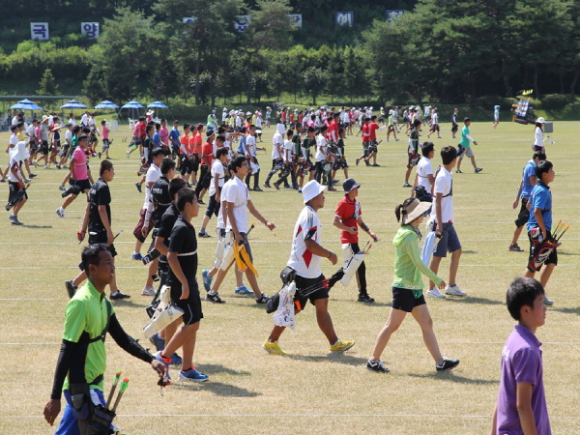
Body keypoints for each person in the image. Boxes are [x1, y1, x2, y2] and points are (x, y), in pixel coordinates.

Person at [44, 244, 166, 433]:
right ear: (92, 268)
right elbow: (66, 349)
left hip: (94, 382)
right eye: (108, 263)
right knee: (102, 430)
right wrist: (55, 397)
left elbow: (123, 339)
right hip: (83, 386)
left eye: (113, 263)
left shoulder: (104, 302)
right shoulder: (80, 303)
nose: (113, 268)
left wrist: (151, 359)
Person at [366, 198, 460, 373]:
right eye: (422, 213)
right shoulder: (408, 236)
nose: (424, 216)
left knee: (427, 323)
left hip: (414, 287)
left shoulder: (410, 233)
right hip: (404, 288)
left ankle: (440, 363)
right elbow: (418, 262)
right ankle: (373, 360)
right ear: (414, 216)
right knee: (391, 325)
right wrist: (436, 279)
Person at [263, 180, 355, 355]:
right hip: (302, 273)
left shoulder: (311, 213)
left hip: (313, 273)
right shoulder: (310, 216)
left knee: (322, 302)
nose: (324, 197)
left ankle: (335, 343)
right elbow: (310, 244)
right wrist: (329, 254)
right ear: (313, 197)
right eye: (321, 194)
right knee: (295, 308)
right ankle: (271, 342)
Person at [153, 188, 209, 382]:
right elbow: (171, 256)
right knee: (193, 323)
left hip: (188, 282)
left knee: (191, 323)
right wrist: (185, 283)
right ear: (187, 205)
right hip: (183, 284)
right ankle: (164, 356)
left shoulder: (187, 225)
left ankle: (187, 369)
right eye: (196, 202)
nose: (198, 206)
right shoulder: (181, 227)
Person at [206, 155, 275, 304]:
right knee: (247, 263)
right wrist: (237, 233)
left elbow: (251, 208)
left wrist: (266, 222)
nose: (247, 167)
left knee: (229, 262)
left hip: (239, 231)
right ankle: (259, 296)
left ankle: (212, 292)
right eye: (244, 165)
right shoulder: (233, 186)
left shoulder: (242, 185)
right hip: (237, 232)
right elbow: (228, 210)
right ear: (237, 168)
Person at [491, 277, 550, 435]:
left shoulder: (513, 340)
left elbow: (503, 395)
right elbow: (523, 406)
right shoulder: (526, 350)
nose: (545, 308)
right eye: (541, 303)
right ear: (526, 311)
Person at [65, 160, 130, 300]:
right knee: (99, 263)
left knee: (108, 260)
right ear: (106, 172)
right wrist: (109, 231)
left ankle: (114, 292)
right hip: (101, 232)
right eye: (112, 171)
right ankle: (74, 283)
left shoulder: (94, 186)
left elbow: (88, 209)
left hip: (93, 230)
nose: (114, 173)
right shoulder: (103, 187)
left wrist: (83, 230)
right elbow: (101, 209)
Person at [427, 146, 466, 298]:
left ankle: (451, 285)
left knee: (457, 250)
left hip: (448, 221)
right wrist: (439, 224)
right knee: (437, 256)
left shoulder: (446, 173)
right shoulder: (443, 176)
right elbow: (437, 200)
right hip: (441, 222)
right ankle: (431, 289)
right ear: (454, 160)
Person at [333, 178, 378, 303]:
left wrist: (370, 233)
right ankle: (363, 294)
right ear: (348, 191)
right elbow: (335, 222)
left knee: (349, 266)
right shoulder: (342, 204)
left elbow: (360, 222)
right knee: (359, 266)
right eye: (354, 188)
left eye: (357, 187)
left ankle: (327, 285)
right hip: (347, 239)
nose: (357, 190)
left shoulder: (357, 204)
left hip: (354, 239)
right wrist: (348, 229)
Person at [523, 160, 556, 306]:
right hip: (539, 231)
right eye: (551, 170)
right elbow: (536, 211)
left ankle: (539, 294)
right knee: (534, 265)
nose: (554, 173)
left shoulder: (538, 187)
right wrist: (543, 231)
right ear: (544, 174)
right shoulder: (542, 191)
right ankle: (521, 294)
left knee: (551, 261)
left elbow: (528, 205)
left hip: (540, 229)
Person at [131, 148, 164, 261]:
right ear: (154, 157)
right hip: (151, 206)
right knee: (143, 231)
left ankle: (152, 252)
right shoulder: (153, 171)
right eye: (160, 156)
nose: (163, 158)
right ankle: (136, 253)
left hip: (156, 206)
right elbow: (151, 187)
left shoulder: (158, 169)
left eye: (163, 156)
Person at [509, 151, 545, 253]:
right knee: (523, 222)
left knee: (529, 221)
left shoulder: (528, 166)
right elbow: (533, 183)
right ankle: (513, 244)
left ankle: (543, 242)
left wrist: (517, 198)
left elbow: (522, 182)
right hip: (530, 199)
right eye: (541, 161)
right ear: (537, 159)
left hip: (527, 198)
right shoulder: (532, 168)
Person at [56, 135, 92, 218]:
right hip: (78, 179)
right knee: (74, 196)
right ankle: (61, 209)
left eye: (86, 140)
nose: (86, 142)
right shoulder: (78, 151)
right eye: (84, 140)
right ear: (79, 142)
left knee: (90, 195)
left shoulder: (83, 150)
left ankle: (88, 214)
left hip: (84, 178)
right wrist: (73, 174)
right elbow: (72, 162)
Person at [198, 147, 228, 237]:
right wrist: (217, 194)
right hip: (217, 190)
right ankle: (203, 231)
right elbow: (216, 179)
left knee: (218, 210)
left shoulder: (217, 163)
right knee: (212, 210)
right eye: (225, 155)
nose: (226, 157)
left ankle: (223, 229)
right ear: (222, 155)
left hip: (215, 189)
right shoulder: (218, 165)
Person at [7, 141, 30, 225]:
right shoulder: (15, 158)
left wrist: (25, 179)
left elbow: (19, 169)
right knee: (24, 198)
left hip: (16, 181)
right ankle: (13, 215)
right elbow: (12, 170)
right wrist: (20, 181)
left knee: (17, 199)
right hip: (15, 181)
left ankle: (14, 216)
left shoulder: (18, 157)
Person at [403, 119, 422, 188]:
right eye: (420, 124)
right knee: (410, 167)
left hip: (415, 150)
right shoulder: (414, 131)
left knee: (419, 165)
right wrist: (413, 149)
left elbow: (417, 140)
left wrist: (421, 145)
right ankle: (406, 182)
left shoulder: (416, 131)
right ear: (418, 125)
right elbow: (410, 141)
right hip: (412, 151)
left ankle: (419, 182)